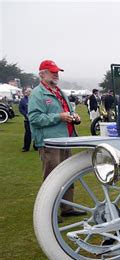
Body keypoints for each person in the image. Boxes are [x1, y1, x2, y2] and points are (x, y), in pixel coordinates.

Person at [28, 59, 85, 217]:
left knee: (68, 175)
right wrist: (59, 117)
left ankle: (67, 208)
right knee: (52, 179)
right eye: (52, 72)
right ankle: (49, 213)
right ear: (42, 74)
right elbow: (34, 118)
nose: (56, 74)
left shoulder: (59, 92)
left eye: (57, 72)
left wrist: (75, 117)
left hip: (66, 140)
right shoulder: (37, 94)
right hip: (50, 143)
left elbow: (66, 111)